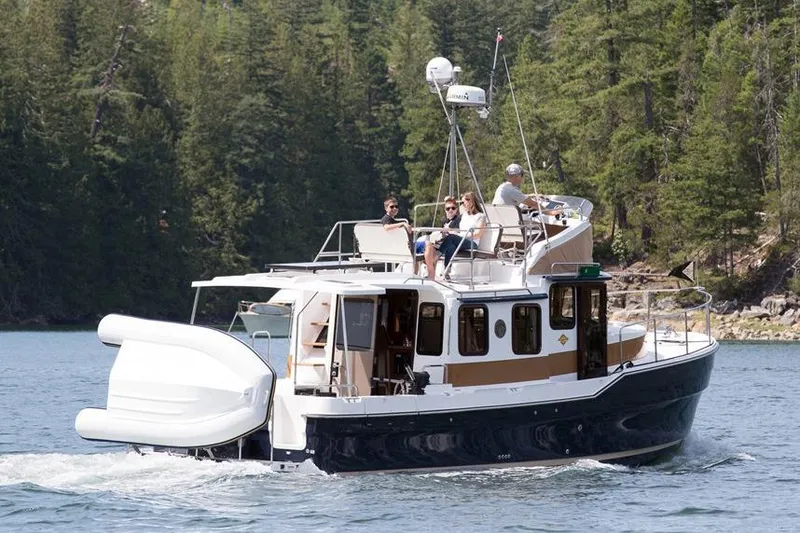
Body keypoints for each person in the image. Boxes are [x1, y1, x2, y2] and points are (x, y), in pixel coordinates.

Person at [424, 191, 485, 279]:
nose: (462, 206)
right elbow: (455, 222)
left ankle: (436, 256)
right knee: (451, 245)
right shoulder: (464, 216)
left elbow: (478, 234)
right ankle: (446, 272)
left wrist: (459, 235)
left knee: (451, 238)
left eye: (463, 203)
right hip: (460, 240)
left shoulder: (480, 216)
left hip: (472, 243)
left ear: (471, 202)